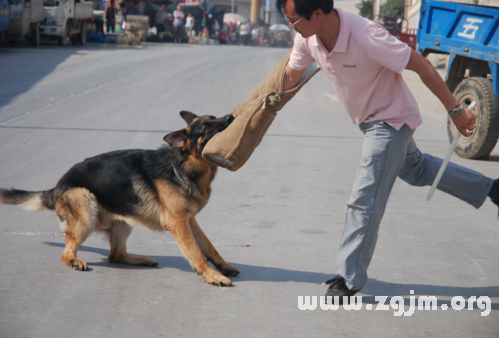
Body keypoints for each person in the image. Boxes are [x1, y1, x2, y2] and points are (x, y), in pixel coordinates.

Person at [277, 0, 496, 303]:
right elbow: (290, 75)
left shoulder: (367, 35)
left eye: (293, 20)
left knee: (364, 199)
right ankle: (492, 189)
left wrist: (455, 110)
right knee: (418, 170)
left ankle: (350, 277)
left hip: (389, 121)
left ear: (317, 14)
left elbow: (421, 64)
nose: (291, 26)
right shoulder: (307, 38)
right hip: (368, 121)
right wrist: (259, 108)